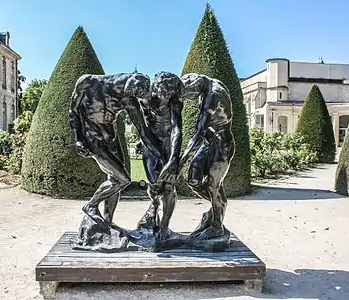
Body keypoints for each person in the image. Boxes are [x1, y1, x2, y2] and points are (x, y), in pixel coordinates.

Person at [69, 72, 163, 228]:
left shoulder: (128, 99)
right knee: (122, 179)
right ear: (130, 82)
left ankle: (107, 222)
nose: (134, 97)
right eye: (136, 93)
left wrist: (159, 154)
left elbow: (142, 130)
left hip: (112, 139)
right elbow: (73, 111)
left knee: (114, 180)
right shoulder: (88, 82)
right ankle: (91, 205)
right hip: (92, 138)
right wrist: (78, 139)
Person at [178, 73, 236, 240]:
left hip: (222, 144)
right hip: (208, 142)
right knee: (193, 181)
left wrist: (180, 162)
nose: (190, 98)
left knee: (213, 186)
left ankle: (217, 225)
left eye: (189, 96)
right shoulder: (206, 84)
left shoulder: (213, 95)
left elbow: (198, 133)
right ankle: (216, 207)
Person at [137, 72, 183, 238]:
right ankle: (154, 207)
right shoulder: (144, 100)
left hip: (168, 145)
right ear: (155, 88)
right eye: (163, 92)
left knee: (170, 186)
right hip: (150, 145)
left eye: (169, 94)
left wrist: (173, 159)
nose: (165, 97)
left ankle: (164, 226)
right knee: (155, 184)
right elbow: (142, 128)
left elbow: (177, 129)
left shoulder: (175, 103)